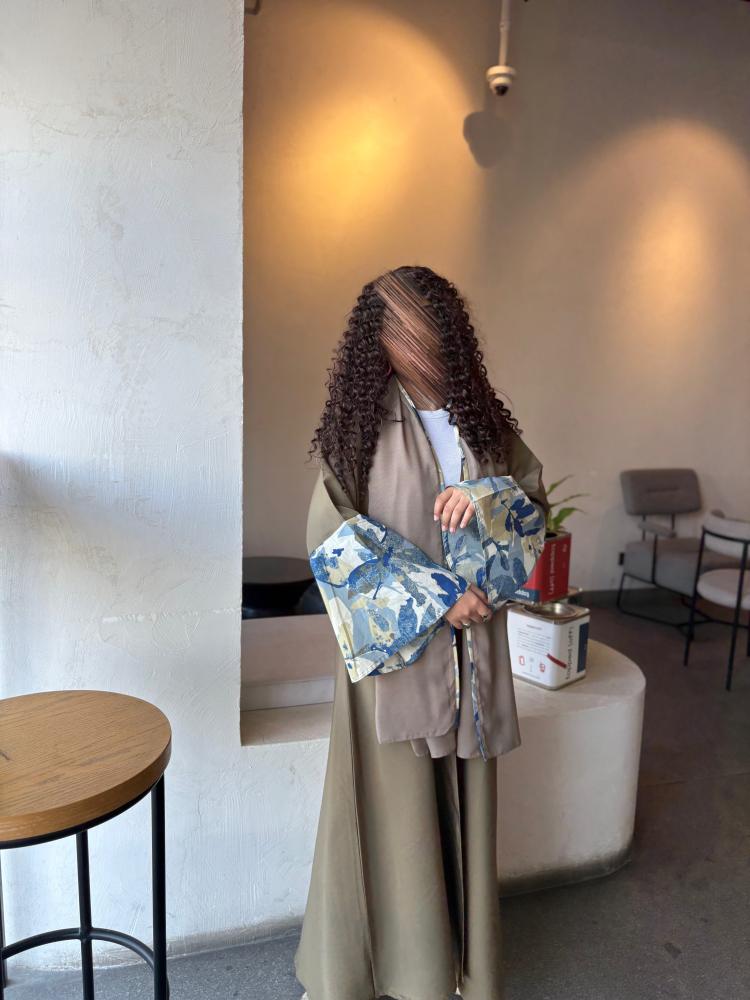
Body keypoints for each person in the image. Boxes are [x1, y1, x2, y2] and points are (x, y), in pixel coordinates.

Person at [294, 264, 551, 1000]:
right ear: (373, 341)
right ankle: (384, 973)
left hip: (473, 661)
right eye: (399, 330)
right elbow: (330, 538)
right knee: (394, 820)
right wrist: (440, 599)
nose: (417, 345)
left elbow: (532, 507)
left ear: (452, 332)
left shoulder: (485, 426)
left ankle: (463, 970)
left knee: (464, 803)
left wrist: (487, 498)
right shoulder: (358, 431)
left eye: (429, 328)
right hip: (397, 665)